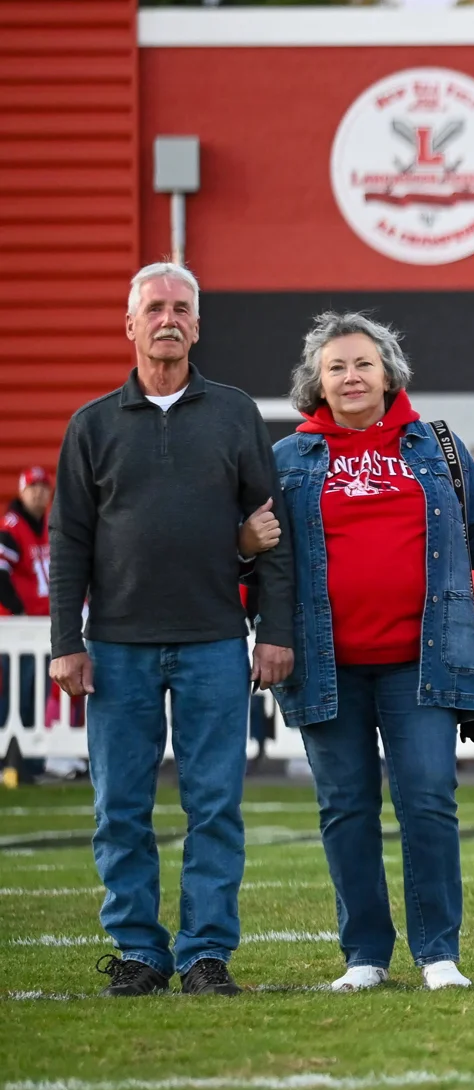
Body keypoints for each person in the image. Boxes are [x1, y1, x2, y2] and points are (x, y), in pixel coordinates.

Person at [273, 312, 474, 992]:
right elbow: (262, 561)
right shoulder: (286, 460)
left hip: (421, 662)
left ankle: (438, 954)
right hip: (325, 663)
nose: (351, 376)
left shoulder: (438, 449)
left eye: (363, 363)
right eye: (335, 366)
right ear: (316, 382)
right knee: (346, 807)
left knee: (428, 801)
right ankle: (365, 956)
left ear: (389, 372)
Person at [50, 262, 295, 997]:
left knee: (214, 805)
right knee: (119, 806)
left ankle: (205, 953)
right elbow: (69, 542)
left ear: (197, 323)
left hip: (216, 641)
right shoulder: (91, 426)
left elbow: (272, 530)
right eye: (153, 307)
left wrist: (274, 630)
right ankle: (137, 949)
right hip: (118, 646)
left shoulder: (234, 413)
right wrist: (67, 640)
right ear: (129, 324)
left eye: (180, 308)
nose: (168, 319)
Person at [0, 467, 52, 616]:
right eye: (33, 486)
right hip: (20, 622)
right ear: (22, 492)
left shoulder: (53, 525)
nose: (39, 492)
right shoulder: (10, 528)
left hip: (48, 617)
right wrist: (18, 610)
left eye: (44, 486)